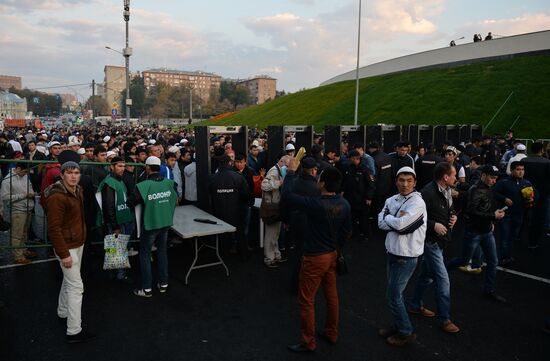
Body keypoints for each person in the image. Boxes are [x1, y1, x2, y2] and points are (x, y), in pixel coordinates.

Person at [282, 160, 351, 353]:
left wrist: (290, 172)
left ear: (322, 184)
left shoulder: (315, 204)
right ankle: (331, 332)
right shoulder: (345, 204)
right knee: (331, 296)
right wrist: (337, 248)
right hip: (332, 254)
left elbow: (287, 196)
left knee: (306, 300)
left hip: (314, 256)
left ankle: (308, 341)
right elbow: (346, 232)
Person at [44, 159, 96, 343]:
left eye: (76, 172)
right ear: (62, 174)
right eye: (70, 172)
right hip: (67, 247)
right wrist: (64, 254)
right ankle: (74, 331)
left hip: (77, 243)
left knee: (69, 282)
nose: (74, 176)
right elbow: (54, 229)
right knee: (76, 286)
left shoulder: (77, 190)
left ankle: (63, 311)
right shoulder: (57, 197)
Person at [377, 166, 427, 347]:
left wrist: (391, 218)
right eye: (401, 180)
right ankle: (398, 325)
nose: (405, 184)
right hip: (392, 252)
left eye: (409, 181)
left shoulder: (418, 203)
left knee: (394, 295)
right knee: (394, 294)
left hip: (406, 256)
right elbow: (380, 223)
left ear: (414, 183)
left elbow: (402, 227)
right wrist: (396, 219)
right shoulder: (391, 199)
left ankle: (406, 331)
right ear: (396, 181)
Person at [409, 162, 460, 334]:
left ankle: (415, 305)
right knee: (443, 280)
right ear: (446, 177)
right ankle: (444, 319)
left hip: (441, 241)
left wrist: (453, 217)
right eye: (453, 175)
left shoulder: (447, 190)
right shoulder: (427, 193)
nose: (456, 178)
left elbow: (450, 208)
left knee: (426, 276)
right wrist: (434, 225)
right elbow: (417, 217)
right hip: (431, 243)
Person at [447, 165, 507, 302]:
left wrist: (492, 221)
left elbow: (488, 207)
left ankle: (489, 289)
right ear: (483, 175)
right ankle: (439, 273)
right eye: (492, 178)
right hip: (474, 232)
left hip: (486, 231)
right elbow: (471, 212)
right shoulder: (475, 190)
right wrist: (493, 216)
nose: (494, 181)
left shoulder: (490, 189)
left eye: (496, 178)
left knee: (493, 261)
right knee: (463, 260)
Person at [127, 156, 177, 297]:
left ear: (147, 168)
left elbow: (131, 202)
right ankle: (163, 284)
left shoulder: (143, 186)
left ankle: (147, 288)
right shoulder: (169, 183)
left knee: (145, 254)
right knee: (162, 252)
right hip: (166, 223)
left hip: (150, 225)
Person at [96, 156, 135, 283]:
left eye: (123, 166)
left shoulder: (119, 180)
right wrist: (114, 226)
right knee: (118, 247)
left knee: (116, 247)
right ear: (112, 167)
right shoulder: (109, 183)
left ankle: (113, 272)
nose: (122, 168)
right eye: (119, 166)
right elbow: (108, 206)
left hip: (121, 218)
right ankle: (120, 275)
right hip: (116, 222)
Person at [209, 154, 253, 260]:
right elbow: (247, 194)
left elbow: (209, 195)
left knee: (222, 236)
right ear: (229, 163)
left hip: (219, 213)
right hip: (237, 211)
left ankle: (222, 257)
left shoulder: (213, 178)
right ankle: (243, 256)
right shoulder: (237, 177)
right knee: (240, 234)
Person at [493, 161, 535, 265]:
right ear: (512, 170)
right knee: (505, 238)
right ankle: (503, 258)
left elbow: (535, 195)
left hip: (519, 215)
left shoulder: (527, 183)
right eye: (518, 169)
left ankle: (507, 256)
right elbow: (494, 192)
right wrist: (504, 198)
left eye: (522, 169)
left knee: (512, 237)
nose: (521, 172)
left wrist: (532, 200)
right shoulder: (504, 182)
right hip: (506, 215)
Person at [1, 163, 36, 265]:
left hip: (28, 207)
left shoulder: (25, 176)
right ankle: (18, 256)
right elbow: (5, 197)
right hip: (17, 209)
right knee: (17, 234)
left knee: (24, 232)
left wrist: (31, 193)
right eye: (25, 171)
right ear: (18, 168)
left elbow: (30, 187)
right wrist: (23, 195)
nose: (26, 174)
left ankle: (23, 250)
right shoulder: (7, 180)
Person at [261, 155, 290, 268]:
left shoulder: (279, 170)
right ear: (281, 162)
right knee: (271, 234)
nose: (288, 168)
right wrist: (278, 183)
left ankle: (276, 254)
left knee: (275, 233)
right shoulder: (274, 171)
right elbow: (264, 185)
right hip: (272, 207)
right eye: (287, 165)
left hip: (275, 206)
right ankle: (269, 257)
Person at [521, 142, 550, 248]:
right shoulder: (547, 162)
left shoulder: (524, 161)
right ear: (542, 150)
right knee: (539, 217)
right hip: (542, 193)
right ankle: (533, 241)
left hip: (525, 191)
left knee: (523, 215)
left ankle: (518, 236)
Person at [342, 150, 375, 241]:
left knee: (364, 218)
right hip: (351, 198)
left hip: (362, 198)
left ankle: (365, 234)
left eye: (351, 158)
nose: (349, 160)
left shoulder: (365, 169)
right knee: (352, 217)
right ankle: (354, 233)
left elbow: (371, 184)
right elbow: (345, 182)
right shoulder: (349, 168)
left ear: (356, 158)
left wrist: (369, 197)